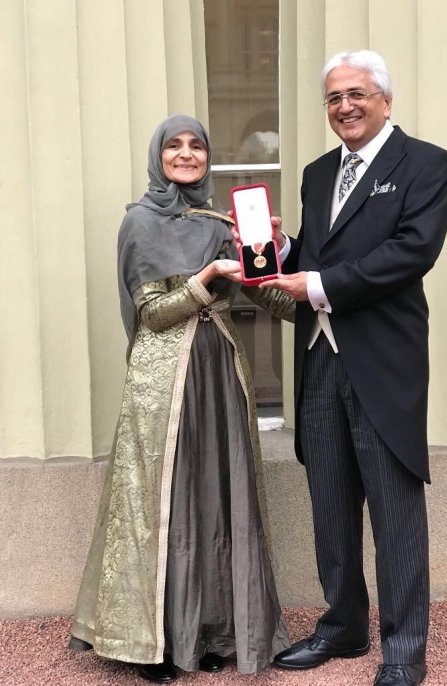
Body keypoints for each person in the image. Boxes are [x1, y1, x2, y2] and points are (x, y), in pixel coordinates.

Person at [68, 114, 293, 682]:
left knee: (217, 498)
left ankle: (212, 631)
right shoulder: (140, 222)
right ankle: (155, 644)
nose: (188, 154)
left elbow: (277, 304)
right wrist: (207, 276)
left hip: (219, 372)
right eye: (175, 146)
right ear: (159, 156)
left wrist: (275, 251)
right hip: (164, 381)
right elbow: (152, 315)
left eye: (197, 145)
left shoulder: (220, 221)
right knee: (165, 504)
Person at [264, 50, 447, 686]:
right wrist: (281, 249)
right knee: (330, 502)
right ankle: (344, 624)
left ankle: (404, 647)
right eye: (333, 98)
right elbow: (317, 254)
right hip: (319, 358)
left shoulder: (426, 164)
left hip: (382, 362)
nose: (344, 106)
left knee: (394, 508)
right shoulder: (319, 174)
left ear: (384, 99)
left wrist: (314, 282)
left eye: (356, 94)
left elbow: (411, 252)